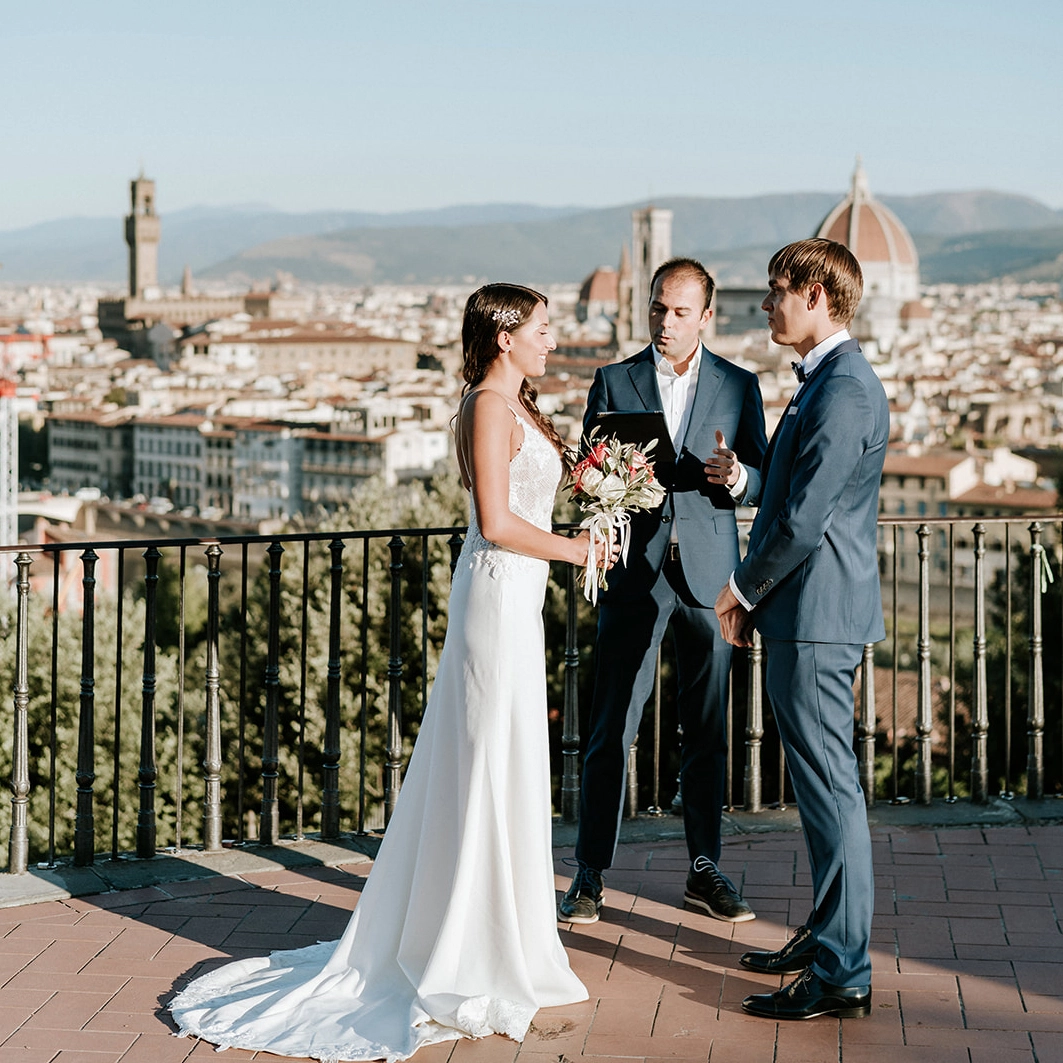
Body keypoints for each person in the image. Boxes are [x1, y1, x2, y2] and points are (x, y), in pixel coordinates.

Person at [169, 283, 602, 1060]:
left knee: (503, 762)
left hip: (515, 601)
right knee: (485, 763)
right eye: (540, 327)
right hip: (496, 599)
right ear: (504, 336)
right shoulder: (488, 407)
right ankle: (473, 949)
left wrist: (603, 489)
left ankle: (503, 939)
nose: (551, 337)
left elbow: (533, 496)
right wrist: (577, 549)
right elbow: (500, 523)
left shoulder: (518, 403)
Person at [559, 257, 767, 926]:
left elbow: (761, 476)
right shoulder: (611, 379)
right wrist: (606, 477)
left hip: (708, 578)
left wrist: (736, 477)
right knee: (608, 726)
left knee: (706, 727)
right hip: (632, 571)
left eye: (680, 311)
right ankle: (589, 872)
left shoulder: (739, 385)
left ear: (707, 316)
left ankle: (704, 866)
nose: (665, 321)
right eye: (657, 308)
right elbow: (587, 474)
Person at [715, 238, 888, 1021]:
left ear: (817, 293)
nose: (766, 304)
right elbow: (791, 496)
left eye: (776, 290)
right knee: (823, 788)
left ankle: (842, 966)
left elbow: (803, 521)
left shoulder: (843, 389)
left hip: (815, 613)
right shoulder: (829, 381)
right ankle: (824, 934)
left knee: (830, 792)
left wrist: (739, 588)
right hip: (808, 611)